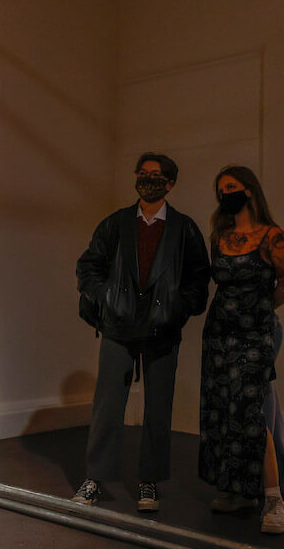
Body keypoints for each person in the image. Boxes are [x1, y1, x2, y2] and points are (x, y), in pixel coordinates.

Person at [73, 152, 211, 512]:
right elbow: (89, 266)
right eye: (143, 173)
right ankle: (95, 478)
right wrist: (105, 298)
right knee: (107, 405)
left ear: (170, 183)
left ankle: (149, 481)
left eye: (156, 175)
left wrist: (179, 307)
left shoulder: (184, 228)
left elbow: (199, 277)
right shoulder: (116, 223)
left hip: (162, 330)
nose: (148, 179)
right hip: (118, 327)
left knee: (159, 407)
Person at [199, 165, 284, 535]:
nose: (225, 193)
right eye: (220, 188)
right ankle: (238, 491)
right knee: (223, 412)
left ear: (249, 190)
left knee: (251, 414)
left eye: (231, 186)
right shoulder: (220, 236)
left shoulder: (273, 236)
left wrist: (257, 311)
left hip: (254, 335)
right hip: (217, 334)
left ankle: (273, 498)